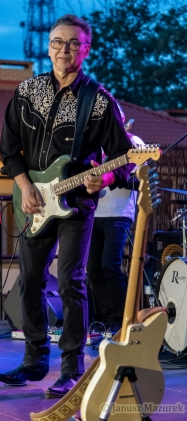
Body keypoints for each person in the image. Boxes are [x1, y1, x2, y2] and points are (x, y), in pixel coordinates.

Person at [0, 14, 134, 398]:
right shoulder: (27, 92)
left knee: (73, 284)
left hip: (77, 205)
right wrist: (24, 186)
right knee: (29, 283)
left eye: (73, 43)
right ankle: (34, 359)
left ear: (86, 49)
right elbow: (8, 151)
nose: (64, 49)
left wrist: (103, 178)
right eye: (58, 42)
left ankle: (71, 368)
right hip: (34, 202)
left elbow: (125, 160)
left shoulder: (100, 101)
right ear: (48, 46)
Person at [86, 111, 144, 335]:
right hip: (94, 213)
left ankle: (119, 321)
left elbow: (140, 181)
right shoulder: (95, 145)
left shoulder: (133, 143)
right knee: (93, 270)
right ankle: (104, 318)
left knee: (110, 266)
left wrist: (112, 177)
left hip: (119, 213)